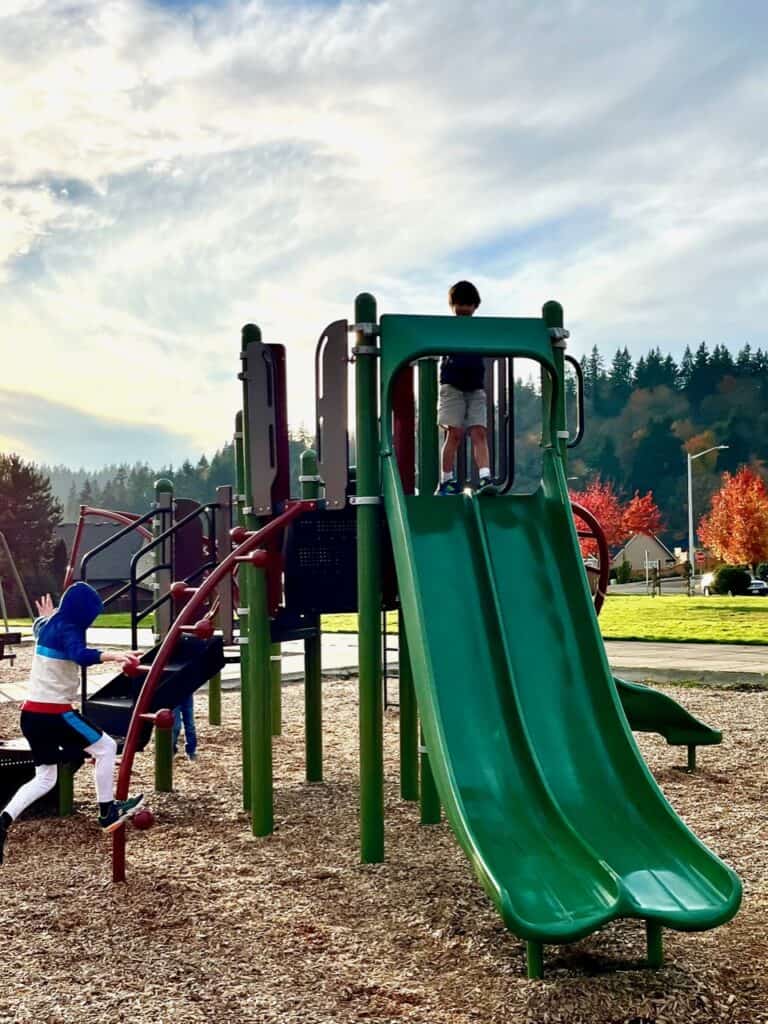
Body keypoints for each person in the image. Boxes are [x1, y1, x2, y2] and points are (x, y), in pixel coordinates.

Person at [0, 583, 144, 866]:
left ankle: (2, 821)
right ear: (83, 613)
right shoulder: (70, 627)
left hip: (31, 715)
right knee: (104, 747)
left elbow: (41, 627)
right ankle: (107, 813)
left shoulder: (50, 624)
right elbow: (79, 654)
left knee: (45, 778)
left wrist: (44, 615)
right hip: (54, 713)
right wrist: (114, 655)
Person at [436, 280, 497, 496]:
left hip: (475, 387)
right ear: (453, 306)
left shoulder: (479, 329)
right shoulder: (448, 328)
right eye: (459, 304)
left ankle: (485, 477)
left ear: (475, 306)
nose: (464, 308)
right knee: (455, 433)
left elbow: (494, 341)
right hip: (452, 385)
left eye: (468, 304)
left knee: (479, 431)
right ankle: (446, 481)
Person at [173, 694, 197, 761]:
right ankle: (172, 749)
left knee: (190, 725)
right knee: (176, 727)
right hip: (173, 697)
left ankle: (191, 751)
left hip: (187, 696)